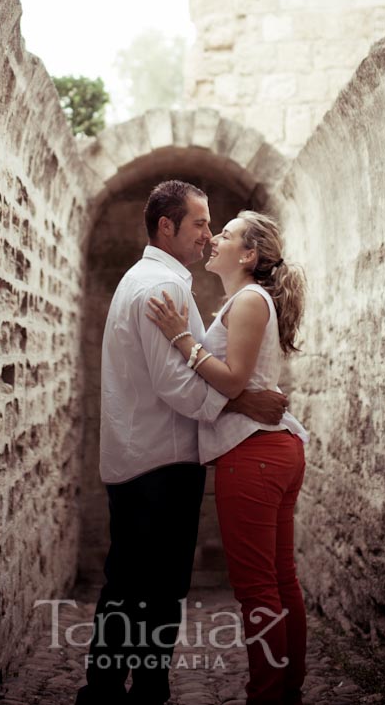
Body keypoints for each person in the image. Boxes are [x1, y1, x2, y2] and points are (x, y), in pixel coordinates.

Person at [76, 182, 289, 705]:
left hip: (149, 457)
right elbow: (175, 386)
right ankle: (119, 694)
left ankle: (128, 690)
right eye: (199, 223)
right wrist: (245, 404)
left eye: (211, 223)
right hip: (160, 461)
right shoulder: (159, 288)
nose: (208, 234)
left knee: (137, 586)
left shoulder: (157, 280)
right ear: (165, 227)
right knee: (149, 589)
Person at [146, 210, 309, 705]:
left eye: (228, 234)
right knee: (279, 581)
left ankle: (267, 694)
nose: (215, 238)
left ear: (249, 254)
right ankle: (286, 690)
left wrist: (181, 339)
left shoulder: (250, 301)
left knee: (260, 589)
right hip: (268, 449)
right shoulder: (246, 300)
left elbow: (234, 380)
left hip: (255, 454)